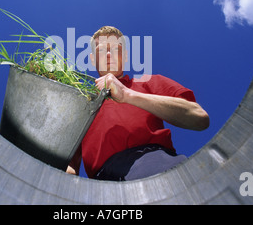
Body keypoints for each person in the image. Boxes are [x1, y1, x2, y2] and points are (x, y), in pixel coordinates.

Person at [66, 26, 209, 181]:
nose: (109, 54)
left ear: (125, 56)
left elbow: (199, 117)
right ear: (93, 59)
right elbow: (71, 162)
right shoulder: (82, 102)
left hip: (156, 163)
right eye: (101, 50)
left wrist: (128, 94)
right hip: (101, 183)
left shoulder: (149, 82)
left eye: (115, 48)